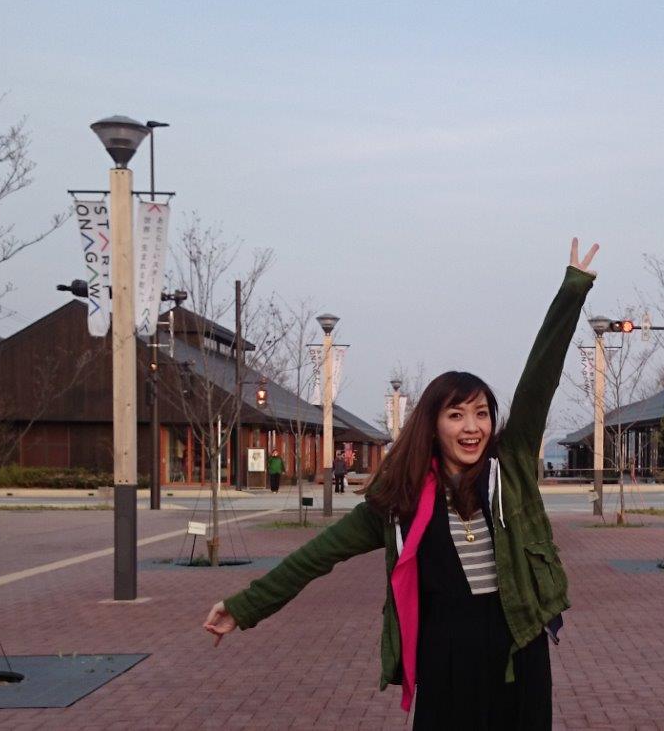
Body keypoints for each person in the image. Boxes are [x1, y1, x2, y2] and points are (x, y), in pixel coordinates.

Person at [203, 239, 599, 730]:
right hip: (445, 659)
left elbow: (539, 381)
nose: (472, 427)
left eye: (481, 413)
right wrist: (244, 607)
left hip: (519, 651)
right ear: (433, 424)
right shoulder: (399, 502)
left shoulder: (510, 468)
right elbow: (315, 557)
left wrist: (572, 292)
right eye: (456, 415)